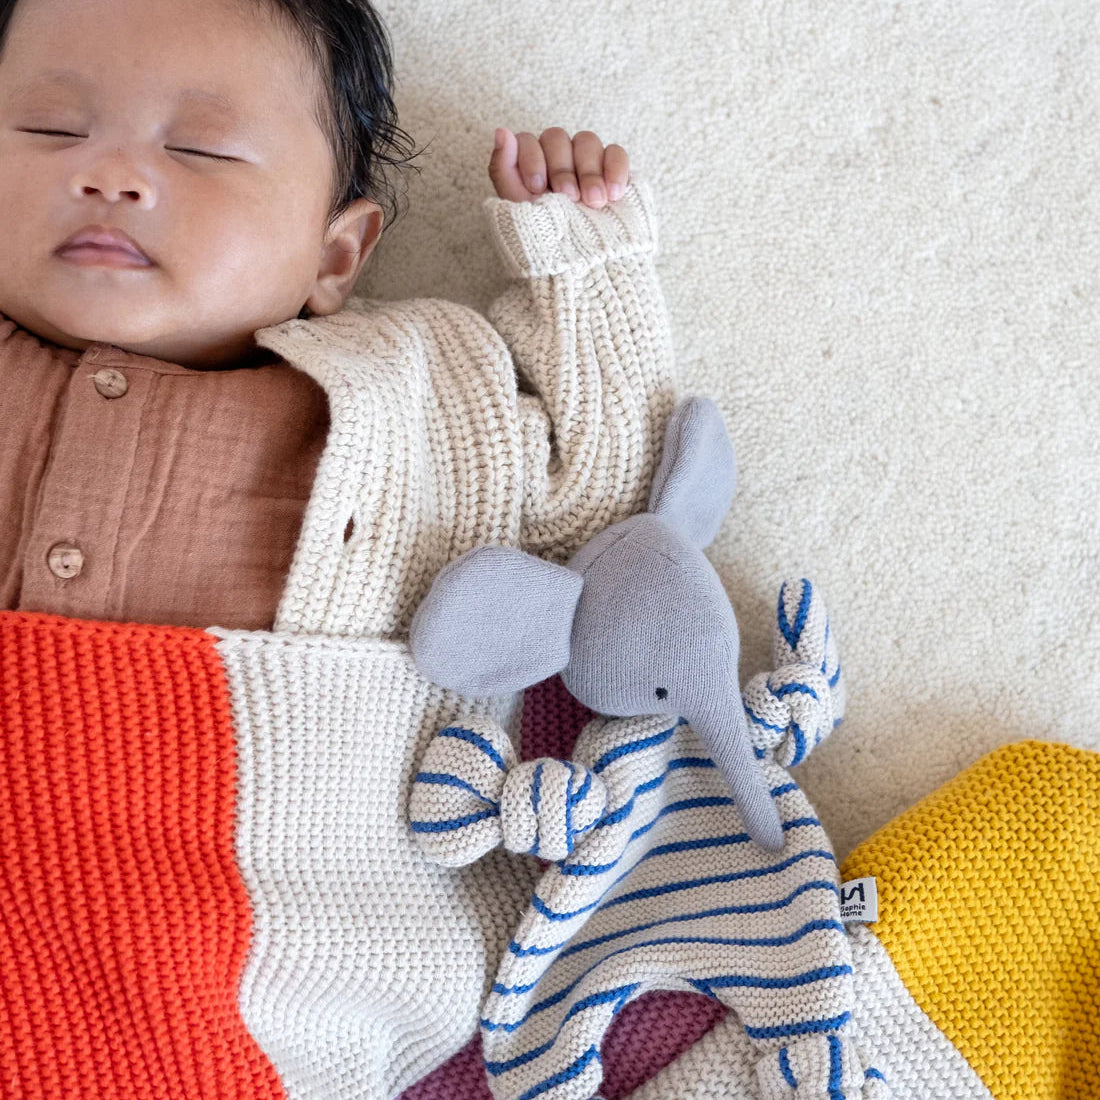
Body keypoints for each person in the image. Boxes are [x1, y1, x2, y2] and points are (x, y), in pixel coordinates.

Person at [0, 0, 678, 1096]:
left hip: (245, 974)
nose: (113, 175)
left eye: (198, 147)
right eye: (47, 130)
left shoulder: (408, 389)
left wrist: (584, 265)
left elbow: (598, 490)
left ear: (333, 252)